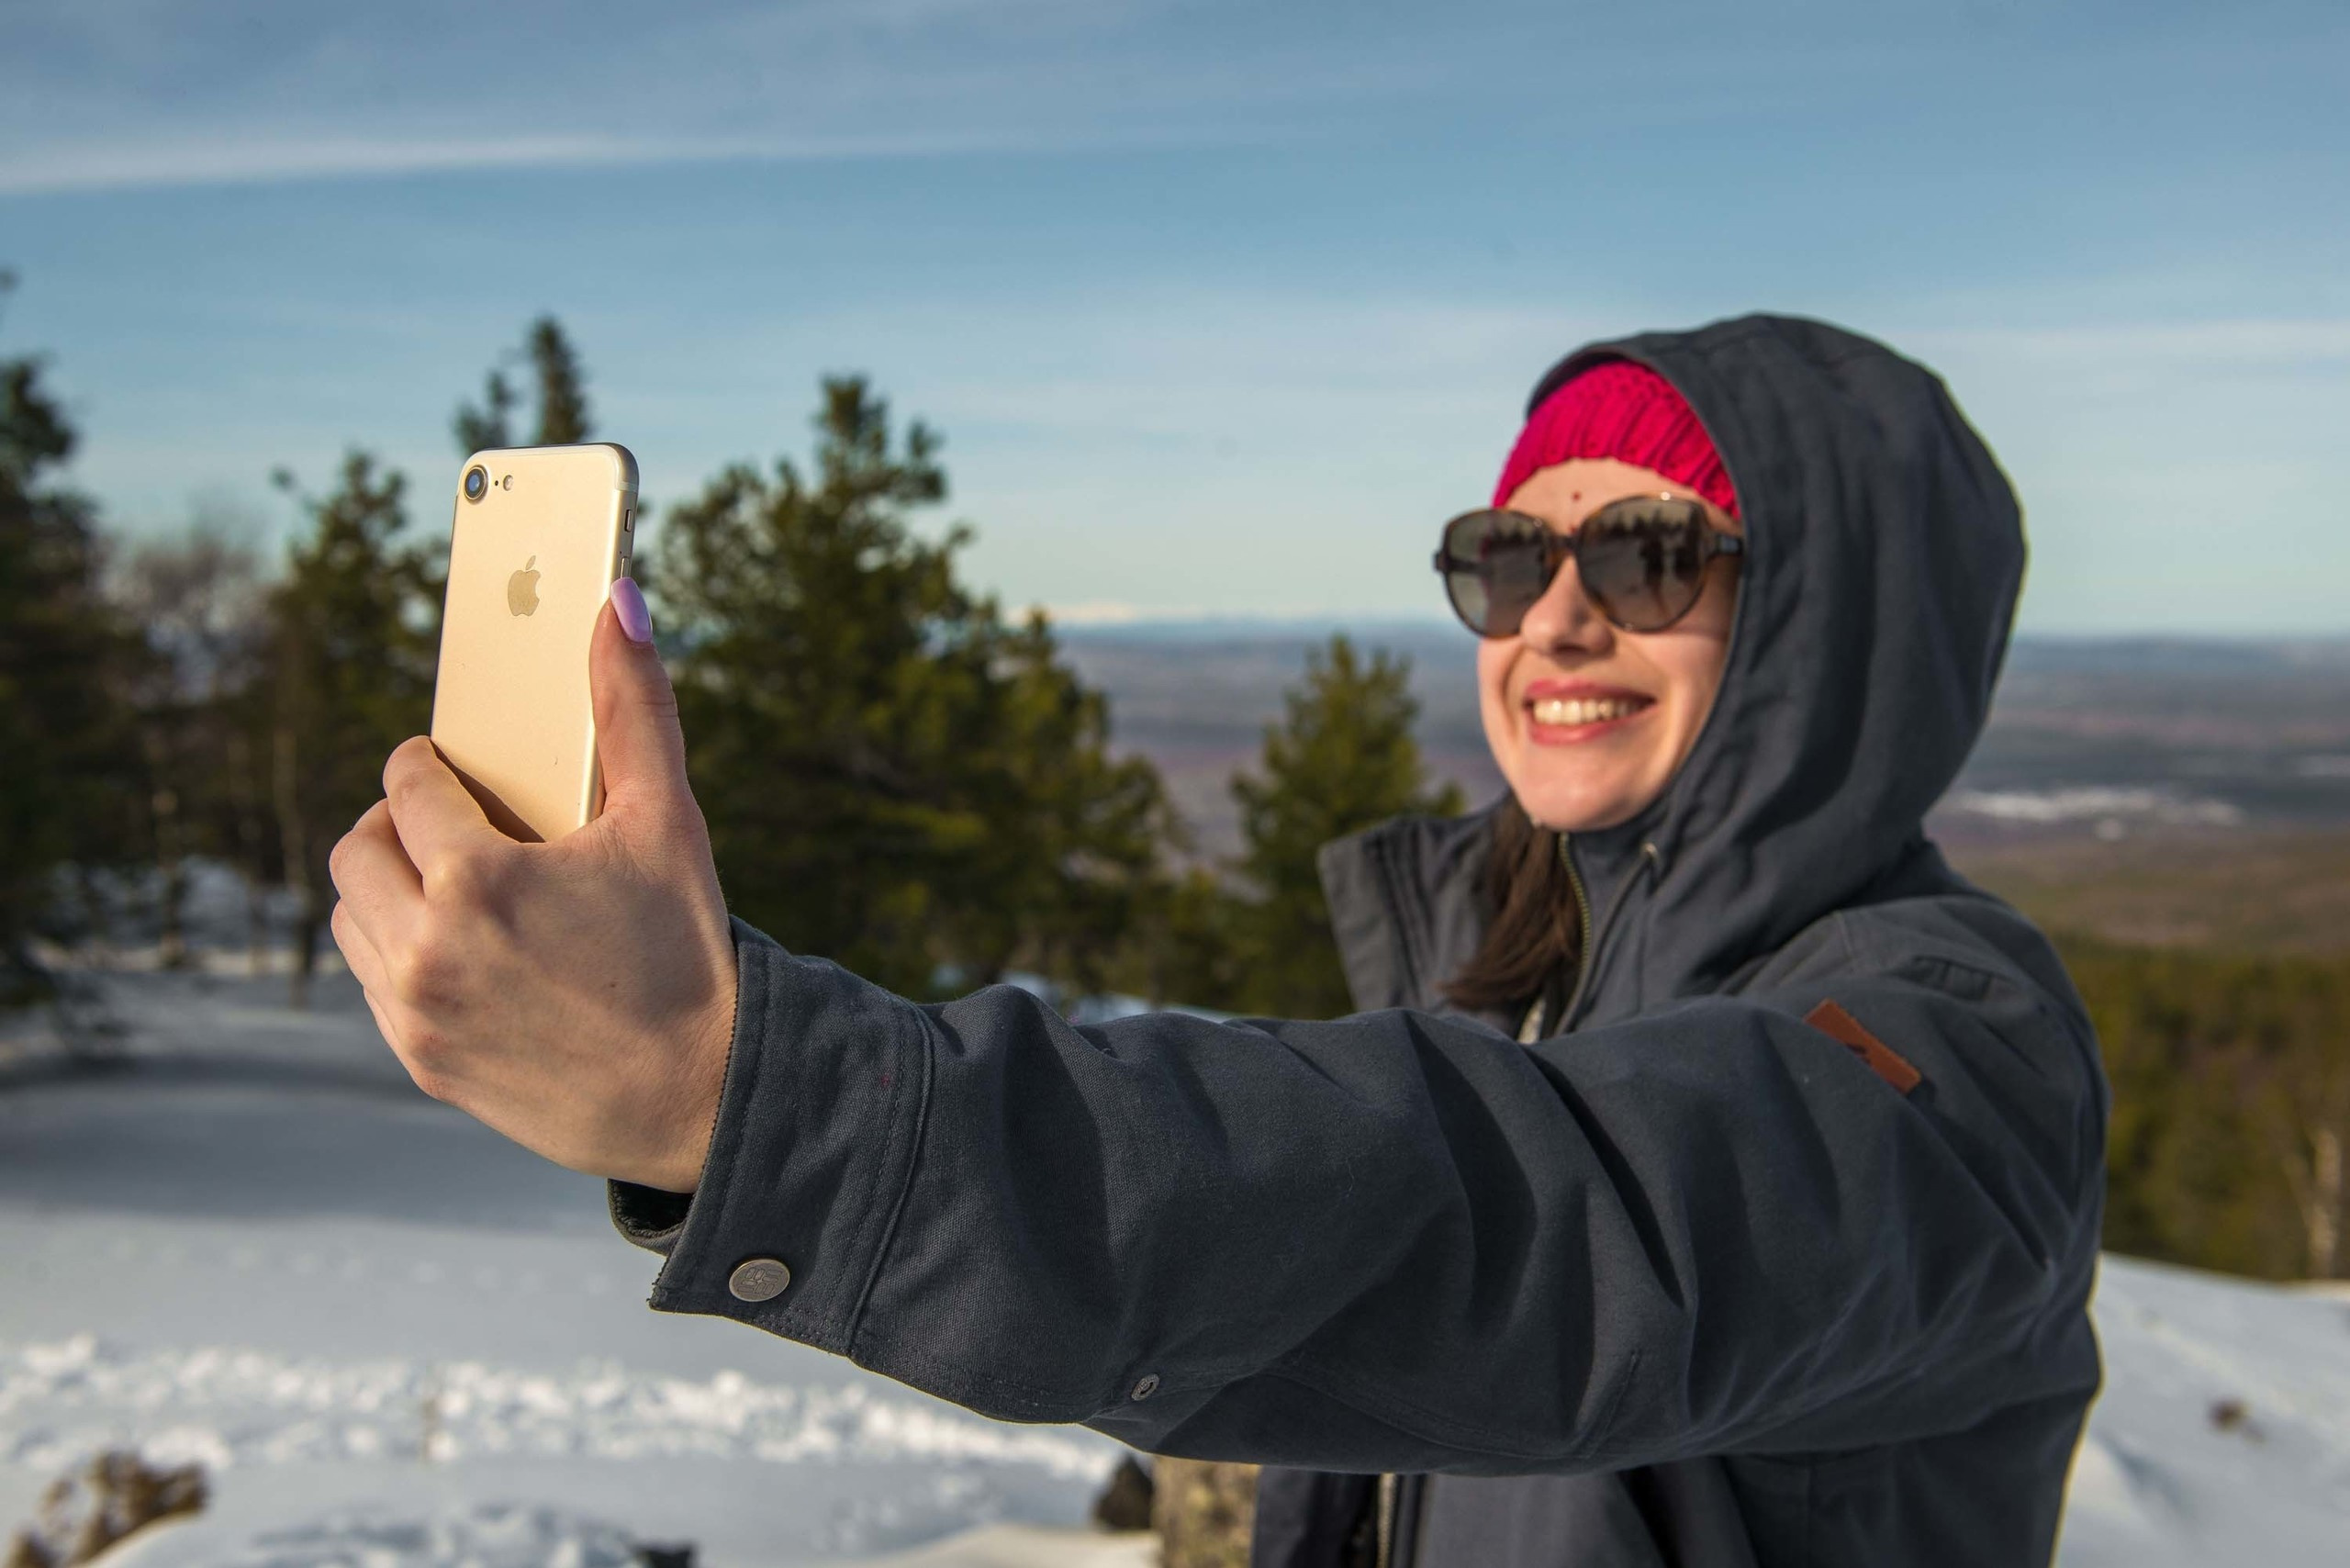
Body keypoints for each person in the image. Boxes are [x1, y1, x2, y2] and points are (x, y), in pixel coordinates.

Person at [328, 313, 2107, 1567]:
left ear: (1824, 628)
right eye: (1506, 555)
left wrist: (748, 1099)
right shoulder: (1512, 969)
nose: (1554, 616)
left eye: (1649, 556)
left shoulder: (1950, 1047)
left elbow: (1536, 1227)